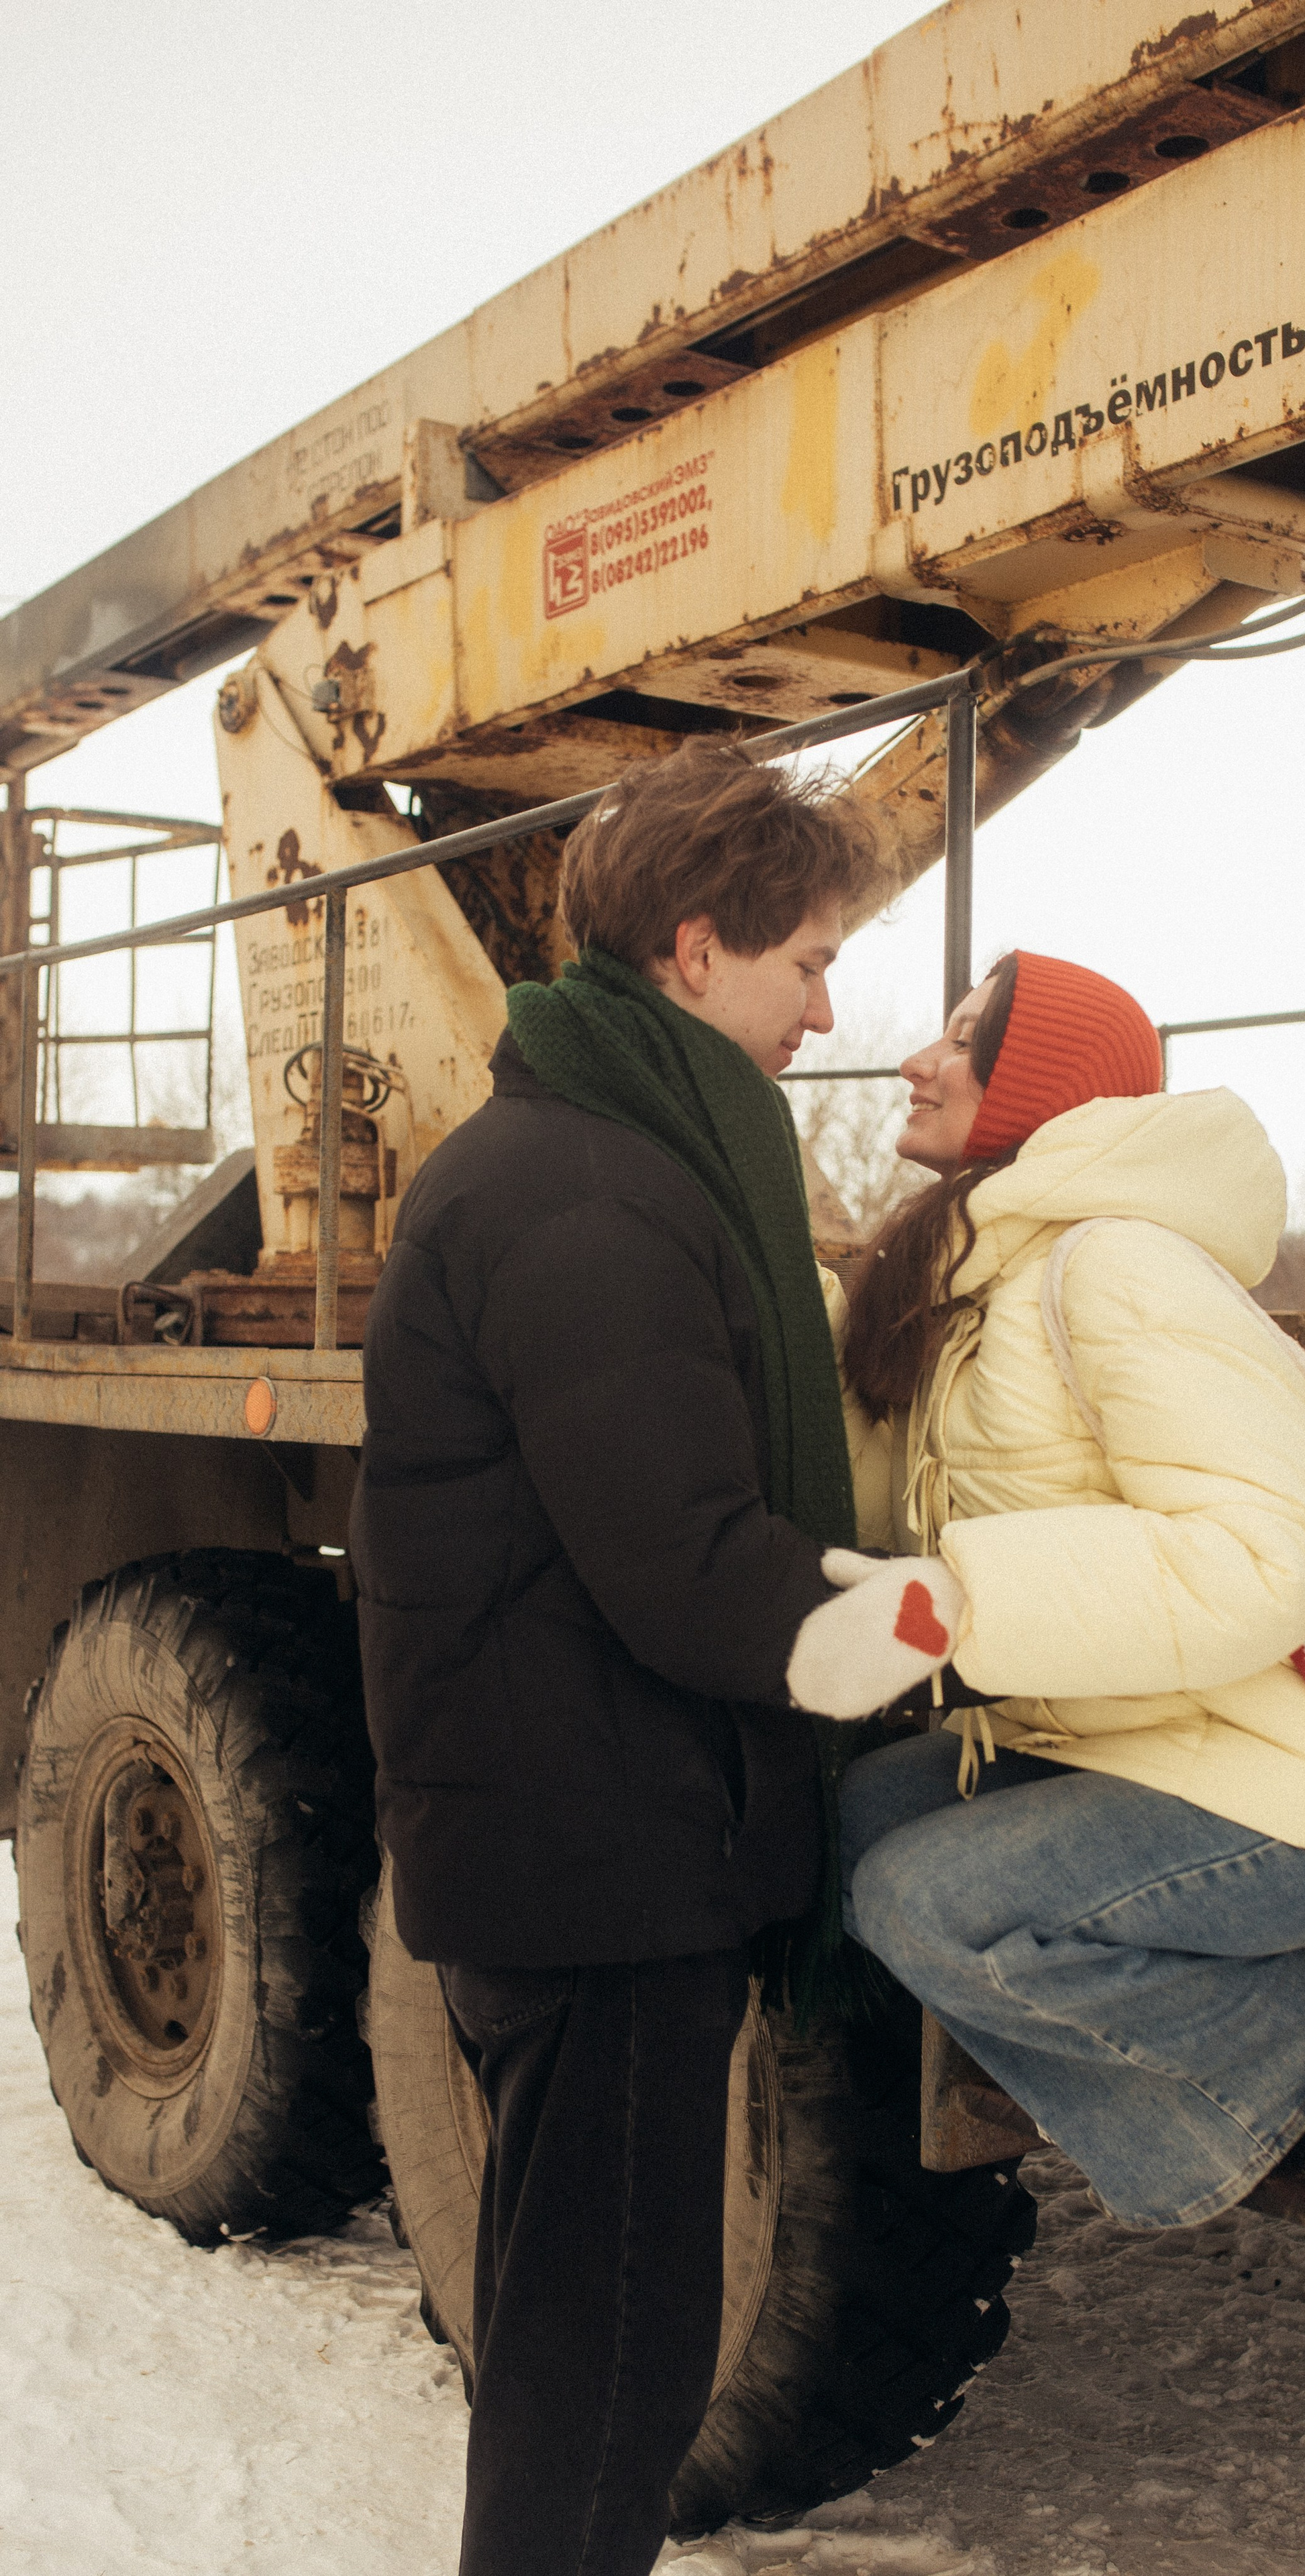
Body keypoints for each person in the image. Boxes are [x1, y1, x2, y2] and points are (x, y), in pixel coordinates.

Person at [348, 741, 960, 2576]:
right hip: (600, 1871)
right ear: (696, 953)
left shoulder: (592, 1158)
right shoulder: (596, 1199)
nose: (828, 1005)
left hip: (586, 1847)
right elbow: (691, 1571)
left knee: (586, 2353)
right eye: (805, 962)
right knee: (605, 2371)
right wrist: (950, 1629)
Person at [834, 950, 1305, 2231]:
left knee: (914, 1901)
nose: (918, 1059)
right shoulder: (984, 1273)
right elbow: (905, 1474)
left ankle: (1303, 2058)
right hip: (1149, 1741)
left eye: (965, 1039)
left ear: (1035, 1086)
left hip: (1280, 1789)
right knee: (864, 1815)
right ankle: (1131, 2075)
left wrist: (959, 1605)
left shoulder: (1116, 1272)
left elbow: (1257, 1562)